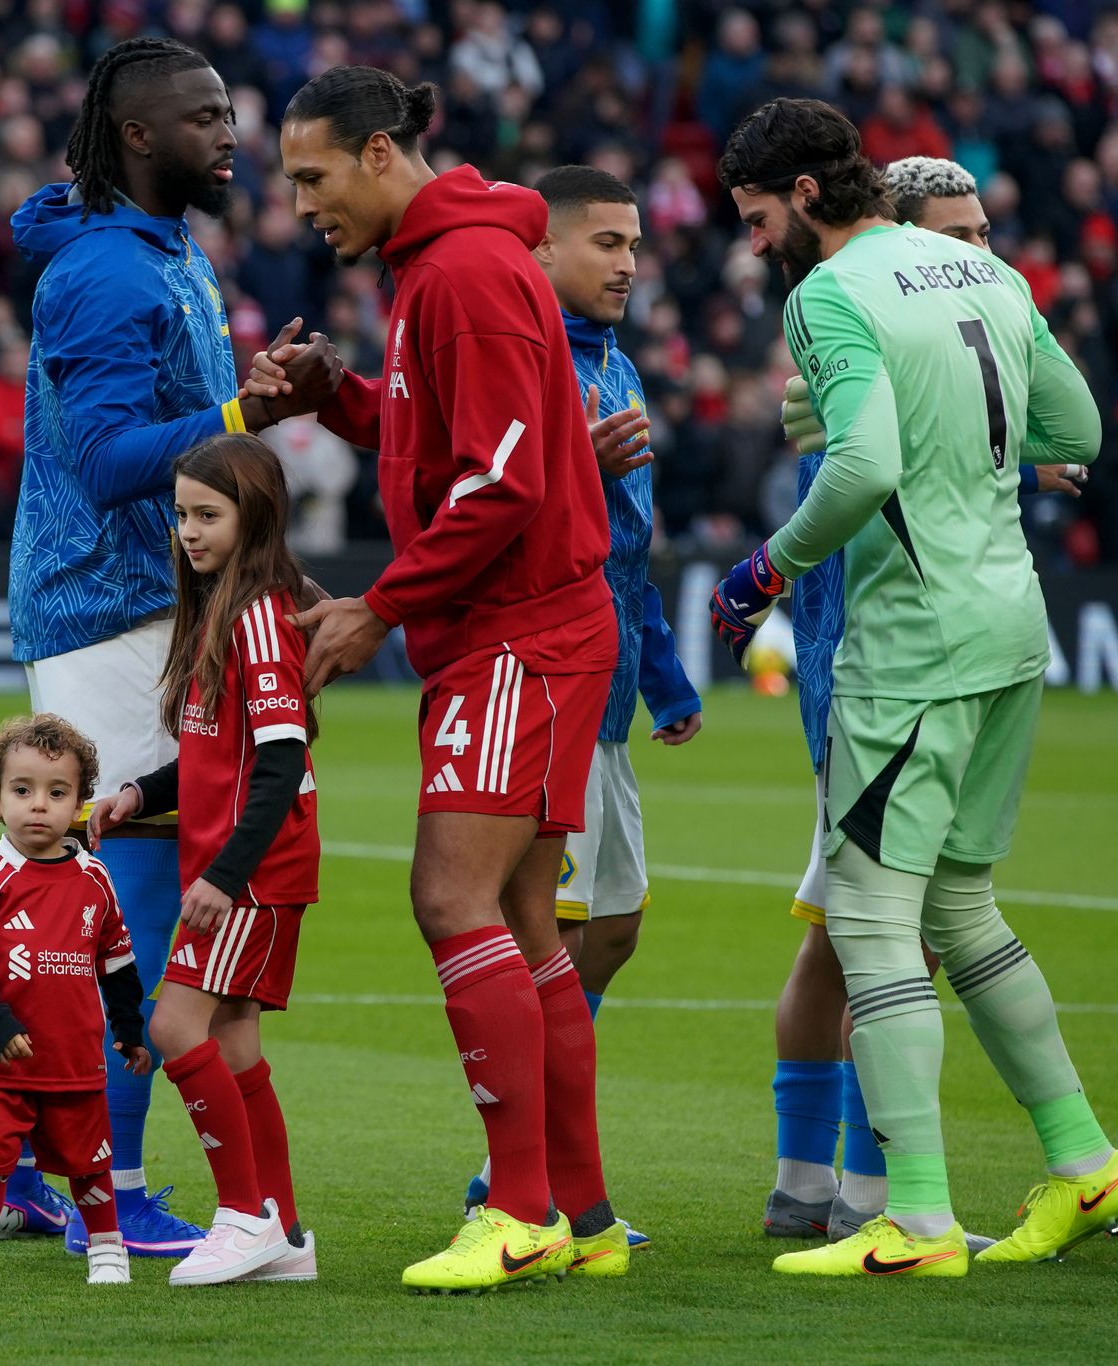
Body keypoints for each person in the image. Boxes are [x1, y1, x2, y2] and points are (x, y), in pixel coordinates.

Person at [713, 97, 1113, 1279]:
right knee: (960, 908)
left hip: (914, 642)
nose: (749, 243)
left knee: (873, 919)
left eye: (751, 218)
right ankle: (1084, 1160)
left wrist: (759, 572)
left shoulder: (824, 295)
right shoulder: (970, 261)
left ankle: (919, 1218)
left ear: (798, 196)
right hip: (1009, 622)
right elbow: (1074, 421)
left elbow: (865, 465)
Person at [253, 65, 625, 1292]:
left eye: (309, 176)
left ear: (375, 153)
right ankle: (581, 1211)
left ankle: (516, 1209)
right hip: (520, 627)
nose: (299, 203)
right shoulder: (438, 266)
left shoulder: (462, 273)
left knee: (449, 899)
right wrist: (342, 400)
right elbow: (454, 436)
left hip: (518, 629)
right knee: (520, 917)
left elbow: (499, 487)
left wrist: (378, 606)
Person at [7, 33, 336, 1255]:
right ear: (136, 135)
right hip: (107, 607)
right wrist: (248, 412)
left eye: (227, 111)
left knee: (141, 901)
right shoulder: (103, 272)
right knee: (139, 909)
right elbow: (101, 465)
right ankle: (111, 1180)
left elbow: (168, 427)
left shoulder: (163, 248)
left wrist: (238, 394)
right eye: (203, 117)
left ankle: (64, 1173)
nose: (229, 133)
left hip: (156, 604)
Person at [445, 165, 703, 1245]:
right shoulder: (527, 358)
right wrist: (571, 468)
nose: (627, 263)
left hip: (602, 687)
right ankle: (527, 1175)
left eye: (633, 244)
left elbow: (625, 553)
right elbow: (486, 510)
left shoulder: (614, 368)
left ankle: (538, 1150)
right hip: (540, 682)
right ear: (538, 250)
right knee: (539, 930)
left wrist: (661, 676)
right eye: (603, 242)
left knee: (614, 929)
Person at [89, 434, 322, 1287]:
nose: (188, 530)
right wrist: (137, 799)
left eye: (207, 515)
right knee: (235, 1048)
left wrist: (225, 875)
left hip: (252, 873)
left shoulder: (260, 613)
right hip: (252, 868)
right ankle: (284, 1231)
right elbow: (207, 753)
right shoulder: (224, 603)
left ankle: (243, 1216)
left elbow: (281, 757)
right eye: (182, 513)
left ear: (253, 516)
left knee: (173, 1027)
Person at [0, 714, 149, 1291]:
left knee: (90, 1159)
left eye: (58, 793)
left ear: (80, 801)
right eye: (22, 790)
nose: (39, 805)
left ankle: (107, 1250)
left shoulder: (95, 879)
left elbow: (118, 963)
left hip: (74, 1056)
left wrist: (129, 1028)